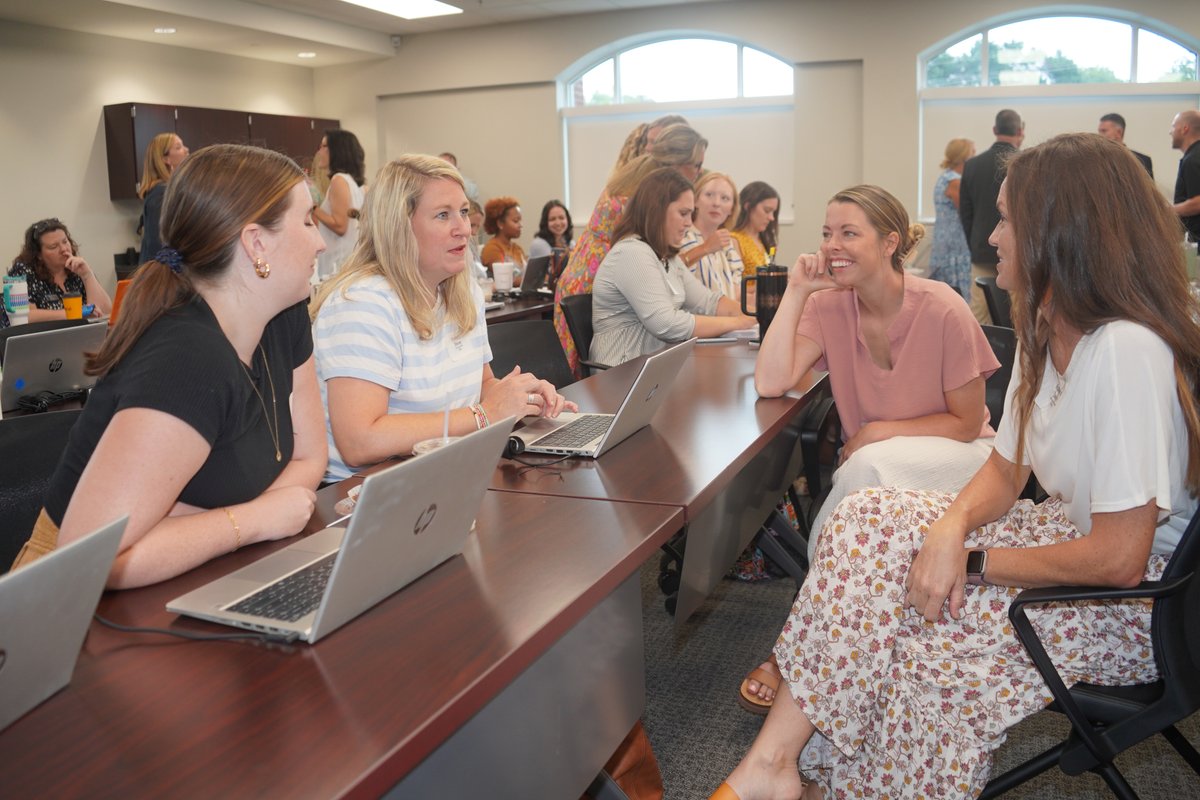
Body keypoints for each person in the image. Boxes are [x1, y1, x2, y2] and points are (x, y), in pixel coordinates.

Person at [713, 132, 1200, 800]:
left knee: (913, 639)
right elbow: (1004, 472)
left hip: (1134, 606)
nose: (991, 237)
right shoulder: (1046, 326)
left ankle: (817, 781)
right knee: (866, 516)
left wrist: (969, 561)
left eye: (1005, 220)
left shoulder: (1124, 350)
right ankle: (774, 768)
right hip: (1065, 539)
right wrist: (948, 530)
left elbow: (1119, 558)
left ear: (1060, 233)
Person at [10, 144, 329, 587]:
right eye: (308, 220)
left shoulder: (284, 315)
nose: (321, 240)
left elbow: (311, 456)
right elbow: (91, 558)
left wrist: (197, 526)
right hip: (64, 597)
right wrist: (253, 519)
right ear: (256, 242)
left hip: (192, 570)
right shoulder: (187, 359)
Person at [740, 183, 998, 715]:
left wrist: (880, 431)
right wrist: (796, 292)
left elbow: (968, 422)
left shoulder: (942, 307)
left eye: (849, 233)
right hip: (873, 470)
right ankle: (817, 638)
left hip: (963, 460)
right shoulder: (829, 306)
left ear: (889, 242)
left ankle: (791, 644)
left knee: (868, 467)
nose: (832, 245)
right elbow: (771, 381)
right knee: (866, 475)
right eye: (826, 233)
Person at [310, 154, 574, 483]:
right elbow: (361, 442)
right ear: (399, 226)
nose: (463, 229)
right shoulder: (362, 302)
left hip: (444, 467)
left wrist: (522, 398)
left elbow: (482, 385)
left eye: (463, 212)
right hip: (367, 488)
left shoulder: (463, 290)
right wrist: (485, 415)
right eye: (443, 215)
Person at [554, 123, 708, 373]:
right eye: (696, 165)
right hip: (595, 274)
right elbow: (664, 321)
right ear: (678, 162)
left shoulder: (639, 175)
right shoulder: (650, 194)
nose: (699, 173)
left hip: (595, 267)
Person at [590, 168, 754, 366]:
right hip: (622, 372)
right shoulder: (632, 253)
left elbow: (708, 301)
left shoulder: (667, 257)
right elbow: (666, 324)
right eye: (683, 214)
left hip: (654, 367)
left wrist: (753, 314)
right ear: (657, 211)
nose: (688, 223)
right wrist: (738, 322)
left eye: (690, 214)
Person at [960, 108, 1024, 324]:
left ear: (995, 130)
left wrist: (975, 242)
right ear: (1020, 131)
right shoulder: (1025, 165)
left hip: (980, 247)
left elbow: (965, 213)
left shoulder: (972, 165)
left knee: (979, 313)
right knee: (1020, 312)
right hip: (1018, 250)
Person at [8, 219, 113, 322]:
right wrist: (74, 313)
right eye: (53, 247)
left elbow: (105, 313)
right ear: (38, 254)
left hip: (82, 332)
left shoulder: (77, 267)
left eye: (65, 242)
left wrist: (87, 275)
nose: (64, 249)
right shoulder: (21, 271)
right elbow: (24, 317)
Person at [312, 129, 367, 281]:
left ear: (337, 150)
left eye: (324, 146)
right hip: (346, 264)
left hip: (337, 267)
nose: (319, 152)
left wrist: (313, 208)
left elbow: (340, 225)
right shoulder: (353, 183)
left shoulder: (339, 180)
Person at [680, 171, 743, 300]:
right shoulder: (682, 237)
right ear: (695, 200)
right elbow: (672, 274)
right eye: (709, 195)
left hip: (727, 312)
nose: (716, 203)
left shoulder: (728, 244)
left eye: (725, 198)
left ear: (731, 209)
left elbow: (735, 295)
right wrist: (705, 248)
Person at [928, 137, 975, 301]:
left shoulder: (945, 177)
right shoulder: (954, 181)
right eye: (973, 153)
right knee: (955, 292)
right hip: (955, 244)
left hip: (944, 241)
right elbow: (966, 211)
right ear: (965, 156)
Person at [138, 131, 190, 259]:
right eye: (178, 147)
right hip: (162, 268)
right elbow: (158, 242)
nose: (186, 150)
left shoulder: (166, 191)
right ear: (166, 159)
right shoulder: (161, 194)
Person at [609, 114, 689, 176]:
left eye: (654, 142)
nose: (647, 147)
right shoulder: (638, 176)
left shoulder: (692, 179)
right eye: (647, 141)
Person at [730, 181, 780, 276]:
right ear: (748, 206)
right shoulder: (734, 240)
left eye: (773, 212)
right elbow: (734, 282)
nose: (771, 218)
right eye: (767, 210)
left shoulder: (763, 240)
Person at [1171, 109, 1200, 256]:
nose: (1170, 132)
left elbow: (1198, 202)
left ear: (1185, 129)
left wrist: (1167, 210)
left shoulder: (1193, 159)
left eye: (1173, 126)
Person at [528, 199, 573, 286]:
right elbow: (553, 275)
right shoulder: (538, 244)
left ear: (567, 219)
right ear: (545, 222)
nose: (558, 223)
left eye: (561, 218)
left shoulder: (571, 243)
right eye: (552, 219)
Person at [480, 196, 526, 280]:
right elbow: (505, 278)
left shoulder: (517, 248)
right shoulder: (491, 249)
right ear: (500, 223)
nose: (520, 225)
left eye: (520, 221)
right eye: (516, 221)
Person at [1098, 112, 1153, 177]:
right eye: (1099, 131)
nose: (1099, 135)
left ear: (1119, 132)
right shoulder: (1097, 159)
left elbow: (1147, 184)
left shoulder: (1142, 161)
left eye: (1104, 131)